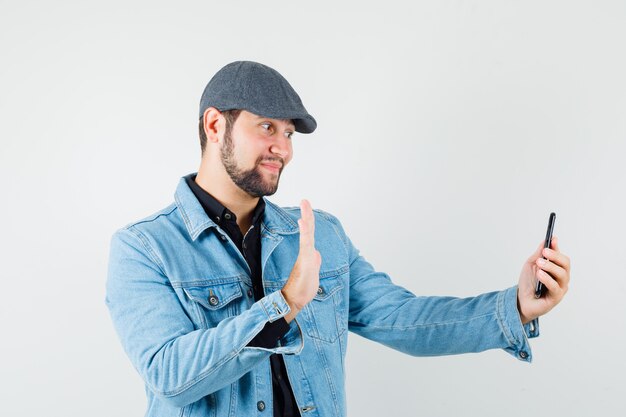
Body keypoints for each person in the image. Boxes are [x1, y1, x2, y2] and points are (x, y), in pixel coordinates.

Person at [106, 61, 571, 417]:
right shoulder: (143, 249)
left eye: (288, 134)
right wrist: (284, 303)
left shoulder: (318, 235)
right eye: (267, 127)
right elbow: (171, 375)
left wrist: (515, 306)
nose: (283, 149)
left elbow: (403, 318)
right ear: (214, 125)